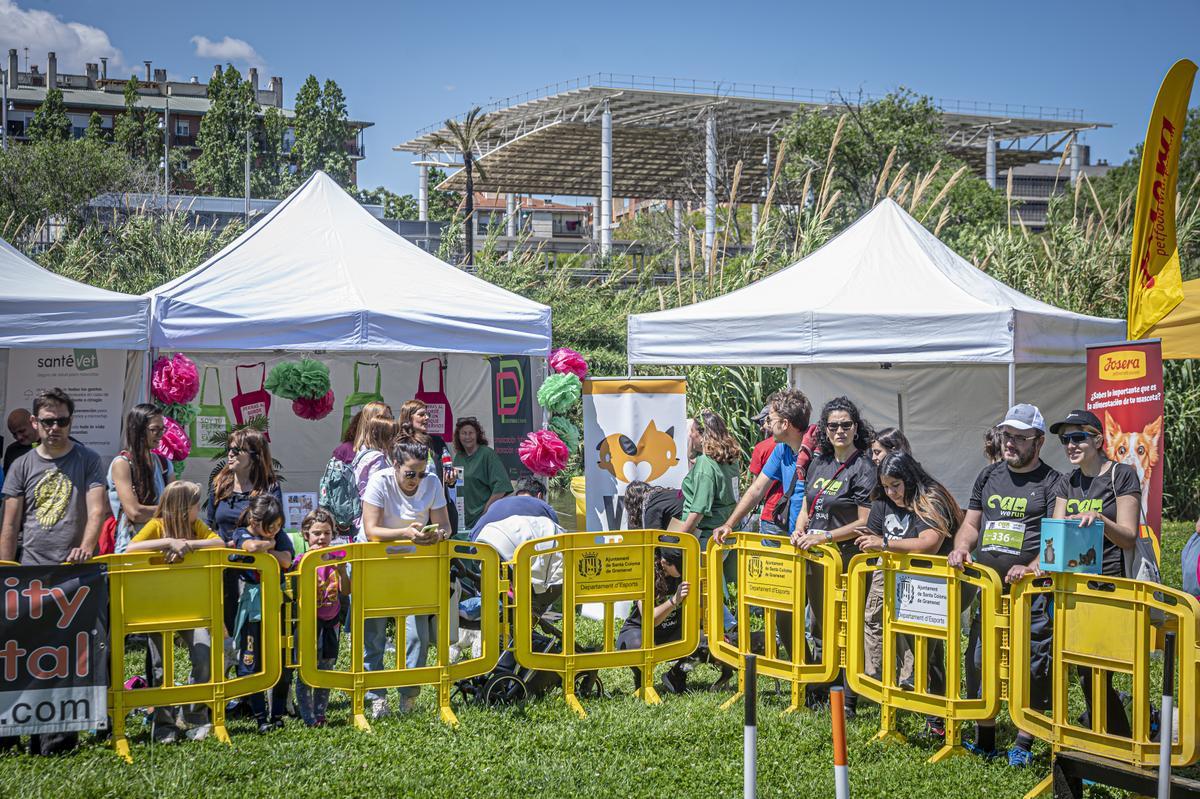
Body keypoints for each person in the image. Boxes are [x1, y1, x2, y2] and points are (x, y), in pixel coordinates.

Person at [948, 403, 1060, 766]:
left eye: (1019, 438)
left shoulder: (1053, 482)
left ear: (1038, 442)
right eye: (1006, 435)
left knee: (1031, 666)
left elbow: (1055, 539)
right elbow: (971, 524)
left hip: (1032, 595)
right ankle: (986, 738)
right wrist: (961, 548)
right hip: (990, 590)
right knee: (979, 659)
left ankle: (1025, 743)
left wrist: (1031, 568)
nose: (1009, 443)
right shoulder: (988, 475)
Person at [0, 388, 105, 755]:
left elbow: (97, 511)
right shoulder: (20, 466)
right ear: (35, 423)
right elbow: (10, 524)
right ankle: (10, 735)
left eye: (62, 420)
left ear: (71, 422)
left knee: (67, 658)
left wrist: (87, 546)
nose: (56, 427)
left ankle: (56, 741)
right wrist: (5, 569)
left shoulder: (89, 460)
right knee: (19, 654)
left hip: (74, 575)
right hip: (28, 572)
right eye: (48, 421)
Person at [854, 451, 960, 736]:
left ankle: (939, 720)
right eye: (886, 486)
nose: (891, 492)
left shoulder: (931, 498)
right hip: (899, 584)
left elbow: (929, 543)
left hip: (933, 587)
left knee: (931, 651)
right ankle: (897, 702)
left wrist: (885, 543)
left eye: (896, 485)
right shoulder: (883, 501)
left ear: (910, 479)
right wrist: (875, 543)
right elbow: (871, 538)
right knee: (905, 644)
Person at [1049, 409, 1140, 738]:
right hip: (1075, 587)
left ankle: (1118, 742)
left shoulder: (1122, 475)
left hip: (1111, 586)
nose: (1070, 445)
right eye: (1064, 440)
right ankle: (1106, 740)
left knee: (1102, 670)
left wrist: (1100, 519)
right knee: (1086, 670)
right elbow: (1057, 535)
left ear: (1099, 440)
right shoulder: (1066, 481)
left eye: (1077, 438)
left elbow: (1129, 536)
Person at [792, 396, 876, 716]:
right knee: (819, 624)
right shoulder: (818, 463)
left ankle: (848, 697)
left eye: (846, 425)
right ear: (824, 430)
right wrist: (801, 529)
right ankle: (823, 687)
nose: (839, 431)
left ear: (856, 428)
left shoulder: (864, 468)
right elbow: (805, 506)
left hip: (847, 560)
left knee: (847, 626)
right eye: (833, 425)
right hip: (817, 558)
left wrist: (824, 536)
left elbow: (865, 522)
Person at [360, 440, 453, 718]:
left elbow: (446, 525)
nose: (417, 480)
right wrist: (406, 533)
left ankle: (409, 697)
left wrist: (438, 535)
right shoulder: (379, 481)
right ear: (395, 465)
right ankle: (376, 697)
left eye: (422, 473)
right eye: (410, 473)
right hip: (377, 562)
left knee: (418, 636)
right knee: (374, 634)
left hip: (416, 565)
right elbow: (372, 529)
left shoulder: (432, 482)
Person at [126, 481, 224, 742]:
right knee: (160, 669)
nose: (198, 511)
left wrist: (188, 545)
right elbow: (130, 548)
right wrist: (167, 542)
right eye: (195, 506)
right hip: (159, 609)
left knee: (204, 655)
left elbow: (220, 543)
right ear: (182, 508)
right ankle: (164, 725)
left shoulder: (196, 528)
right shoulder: (155, 526)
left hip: (193, 607)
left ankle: (194, 716)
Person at [207, 428, 283, 637]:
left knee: (254, 633)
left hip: (257, 571)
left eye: (237, 449)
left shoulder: (269, 487)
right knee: (227, 628)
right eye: (229, 448)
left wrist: (254, 543)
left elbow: (275, 527)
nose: (230, 453)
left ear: (255, 456)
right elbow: (209, 525)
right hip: (225, 567)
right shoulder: (220, 484)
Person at [714, 389, 815, 544]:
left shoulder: (817, 453)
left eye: (770, 420)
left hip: (814, 541)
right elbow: (757, 489)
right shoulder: (782, 449)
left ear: (785, 424)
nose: (766, 426)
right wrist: (729, 524)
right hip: (794, 537)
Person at [230, 494, 294, 732]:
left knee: (280, 658)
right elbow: (251, 546)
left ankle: (277, 714)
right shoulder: (241, 533)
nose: (275, 530)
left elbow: (287, 560)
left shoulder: (280, 536)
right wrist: (268, 546)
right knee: (251, 659)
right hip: (251, 608)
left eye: (279, 526)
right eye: (271, 526)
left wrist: (267, 549)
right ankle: (260, 717)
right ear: (254, 521)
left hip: (277, 604)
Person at [291, 508, 348, 728]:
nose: (321, 538)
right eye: (316, 533)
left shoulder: (339, 557)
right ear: (306, 535)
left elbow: (346, 591)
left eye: (326, 533)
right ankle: (308, 716)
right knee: (306, 670)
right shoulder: (301, 559)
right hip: (307, 622)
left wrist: (341, 570)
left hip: (331, 621)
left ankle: (321, 713)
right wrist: (309, 559)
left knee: (326, 669)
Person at [616, 546, 691, 693]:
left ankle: (677, 675)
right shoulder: (645, 574)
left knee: (702, 640)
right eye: (679, 565)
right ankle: (642, 679)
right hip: (639, 630)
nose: (683, 569)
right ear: (664, 562)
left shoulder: (687, 571)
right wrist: (674, 601)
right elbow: (650, 620)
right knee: (640, 644)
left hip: (671, 631)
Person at [107, 404, 172, 553]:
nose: (160, 434)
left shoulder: (164, 464)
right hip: (131, 548)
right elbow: (135, 513)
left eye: (162, 429)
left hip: (162, 546)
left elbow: (176, 502)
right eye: (155, 429)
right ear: (138, 429)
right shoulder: (122, 464)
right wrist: (171, 512)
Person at [676, 410, 740, 547]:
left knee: (667, 560)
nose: (689, 435)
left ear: (702, 434)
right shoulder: (730, 458)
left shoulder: (705, 463)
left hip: (707, 538)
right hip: (728, 533)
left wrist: (679, 539)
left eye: (692, 430)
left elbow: (698, 510)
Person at [399, 399, 459, 534]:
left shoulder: (437, 442)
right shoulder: (401, 445)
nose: (426, 418)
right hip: (413, 511)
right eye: (421, 415)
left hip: (440, 510)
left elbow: (447, 472)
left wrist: (451, 479)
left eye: (427, 415)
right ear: (409, 417)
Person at [452, 417, 512, 531]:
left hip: (483, 518)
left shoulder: (487, 454)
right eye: (464, 433)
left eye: (471, 433)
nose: (467, 437)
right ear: (458, 436)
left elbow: (501, 488)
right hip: (462, 519)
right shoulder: (459, 457)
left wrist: (486, 512)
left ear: (477, 435)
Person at [469, 476, 559, 540]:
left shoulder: (496, 504)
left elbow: (473, 534)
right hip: (512, 560)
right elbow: (556, 536)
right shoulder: (543, 506)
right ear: (540, 496)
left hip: (481, 553)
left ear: (517, 494)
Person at [351, 417, 400, 529]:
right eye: (393, 435)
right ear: (384, 436)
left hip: (362, 510)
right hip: (374, 513)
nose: (396, 439)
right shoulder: (378, 459)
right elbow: (377, 488)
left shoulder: (362, 453)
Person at [747, 405, 785, 535]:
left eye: (763, 422)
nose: (761, 427)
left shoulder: (761, 448)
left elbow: (756, 487)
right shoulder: (795, 445)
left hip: (772, 512)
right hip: (794, 517)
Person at [3, 408, 38, 472]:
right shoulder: (11, 451)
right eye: (14, 434)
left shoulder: (50, 446)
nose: (19, 437)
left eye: (22, 431)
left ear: (33, 422)